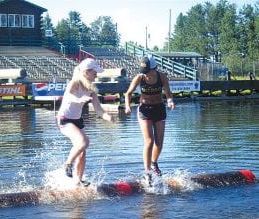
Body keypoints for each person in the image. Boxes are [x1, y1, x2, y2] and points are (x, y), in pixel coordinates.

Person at [57, 58, 114, 186]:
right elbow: (68, 96)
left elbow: (98, 110)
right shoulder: (75, 82)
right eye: (95, 72)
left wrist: (107, 116)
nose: (96, 75)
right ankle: (68, 164)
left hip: (77, 120)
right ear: (86, 72)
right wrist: (79, 99)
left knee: (82, 151)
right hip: (65, 119)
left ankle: (78, 181)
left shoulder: (92, 90)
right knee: (84, 142)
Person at [124, 55, 175, 186]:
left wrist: (170, 101)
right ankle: (147, 172)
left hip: (159, 109)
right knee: (149, 141)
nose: (145, 75)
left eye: (147, 72)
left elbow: (168, 93)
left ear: (154, 68)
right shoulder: (140, 77)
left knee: (159, 142)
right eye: (143, 72)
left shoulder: (161, 77)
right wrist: (127, 106)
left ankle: (154, 163)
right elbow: (128, 93)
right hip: (144, 110)